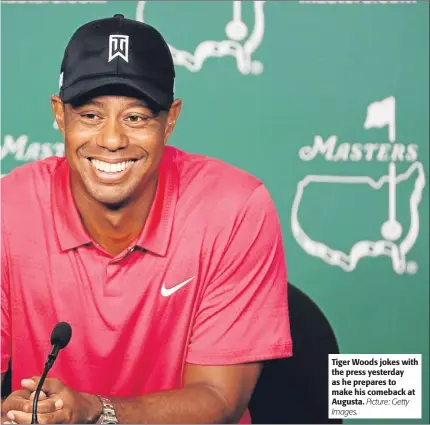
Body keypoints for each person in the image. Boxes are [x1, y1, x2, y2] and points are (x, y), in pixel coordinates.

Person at [1, 14, 292, 424]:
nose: (112, 140)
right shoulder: (8, 208)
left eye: (136, 117)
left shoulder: (235, 208)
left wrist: (94, 412)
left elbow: (219, 400)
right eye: (90, 116)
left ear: (170, 119)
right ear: (60, 114)